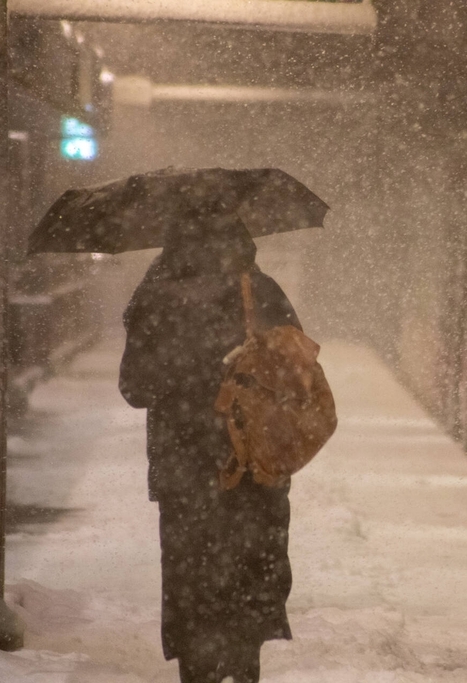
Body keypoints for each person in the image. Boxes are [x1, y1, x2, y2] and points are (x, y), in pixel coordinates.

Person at [118, 211, 301, 683]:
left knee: (192, 582)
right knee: (248, 572)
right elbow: (299, 374)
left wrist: (183, 375)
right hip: (253, 464)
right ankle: (244, 667)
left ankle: (198, 671)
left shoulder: (154, 295)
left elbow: (134, 388)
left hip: (185, 473)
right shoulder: (260, 291)